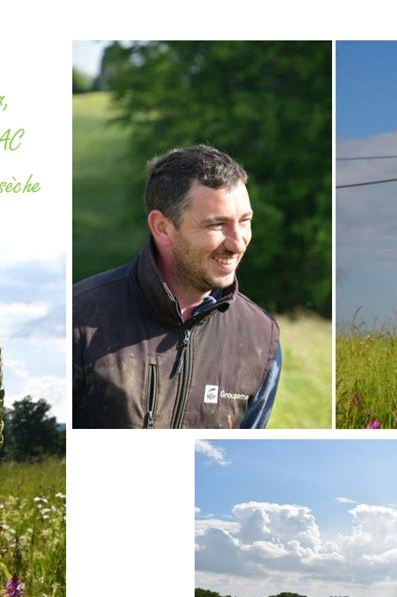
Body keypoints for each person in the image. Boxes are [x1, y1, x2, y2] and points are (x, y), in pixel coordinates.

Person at [73, 144, 281, 429]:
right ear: (162, 227)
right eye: (217, 225)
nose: (238, 242)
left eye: (245, 221)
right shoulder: (79, 317)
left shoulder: (261, 339)